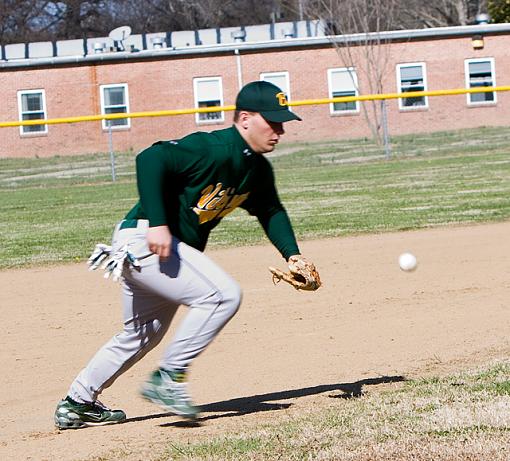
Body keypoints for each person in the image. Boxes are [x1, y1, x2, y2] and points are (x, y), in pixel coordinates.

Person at [54, 80, 320, 429]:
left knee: (140, 334)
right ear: (244, 119)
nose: (280, 130)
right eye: (272, 122)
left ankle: (77, 403)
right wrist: (159, 223)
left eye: (282, 123)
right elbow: (150, 158)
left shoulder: (256, 169)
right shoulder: (213, 148)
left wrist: (292, 254)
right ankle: (169, 379)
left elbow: (271, 211)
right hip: (144, 241)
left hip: (155, 252)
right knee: (222, 295)